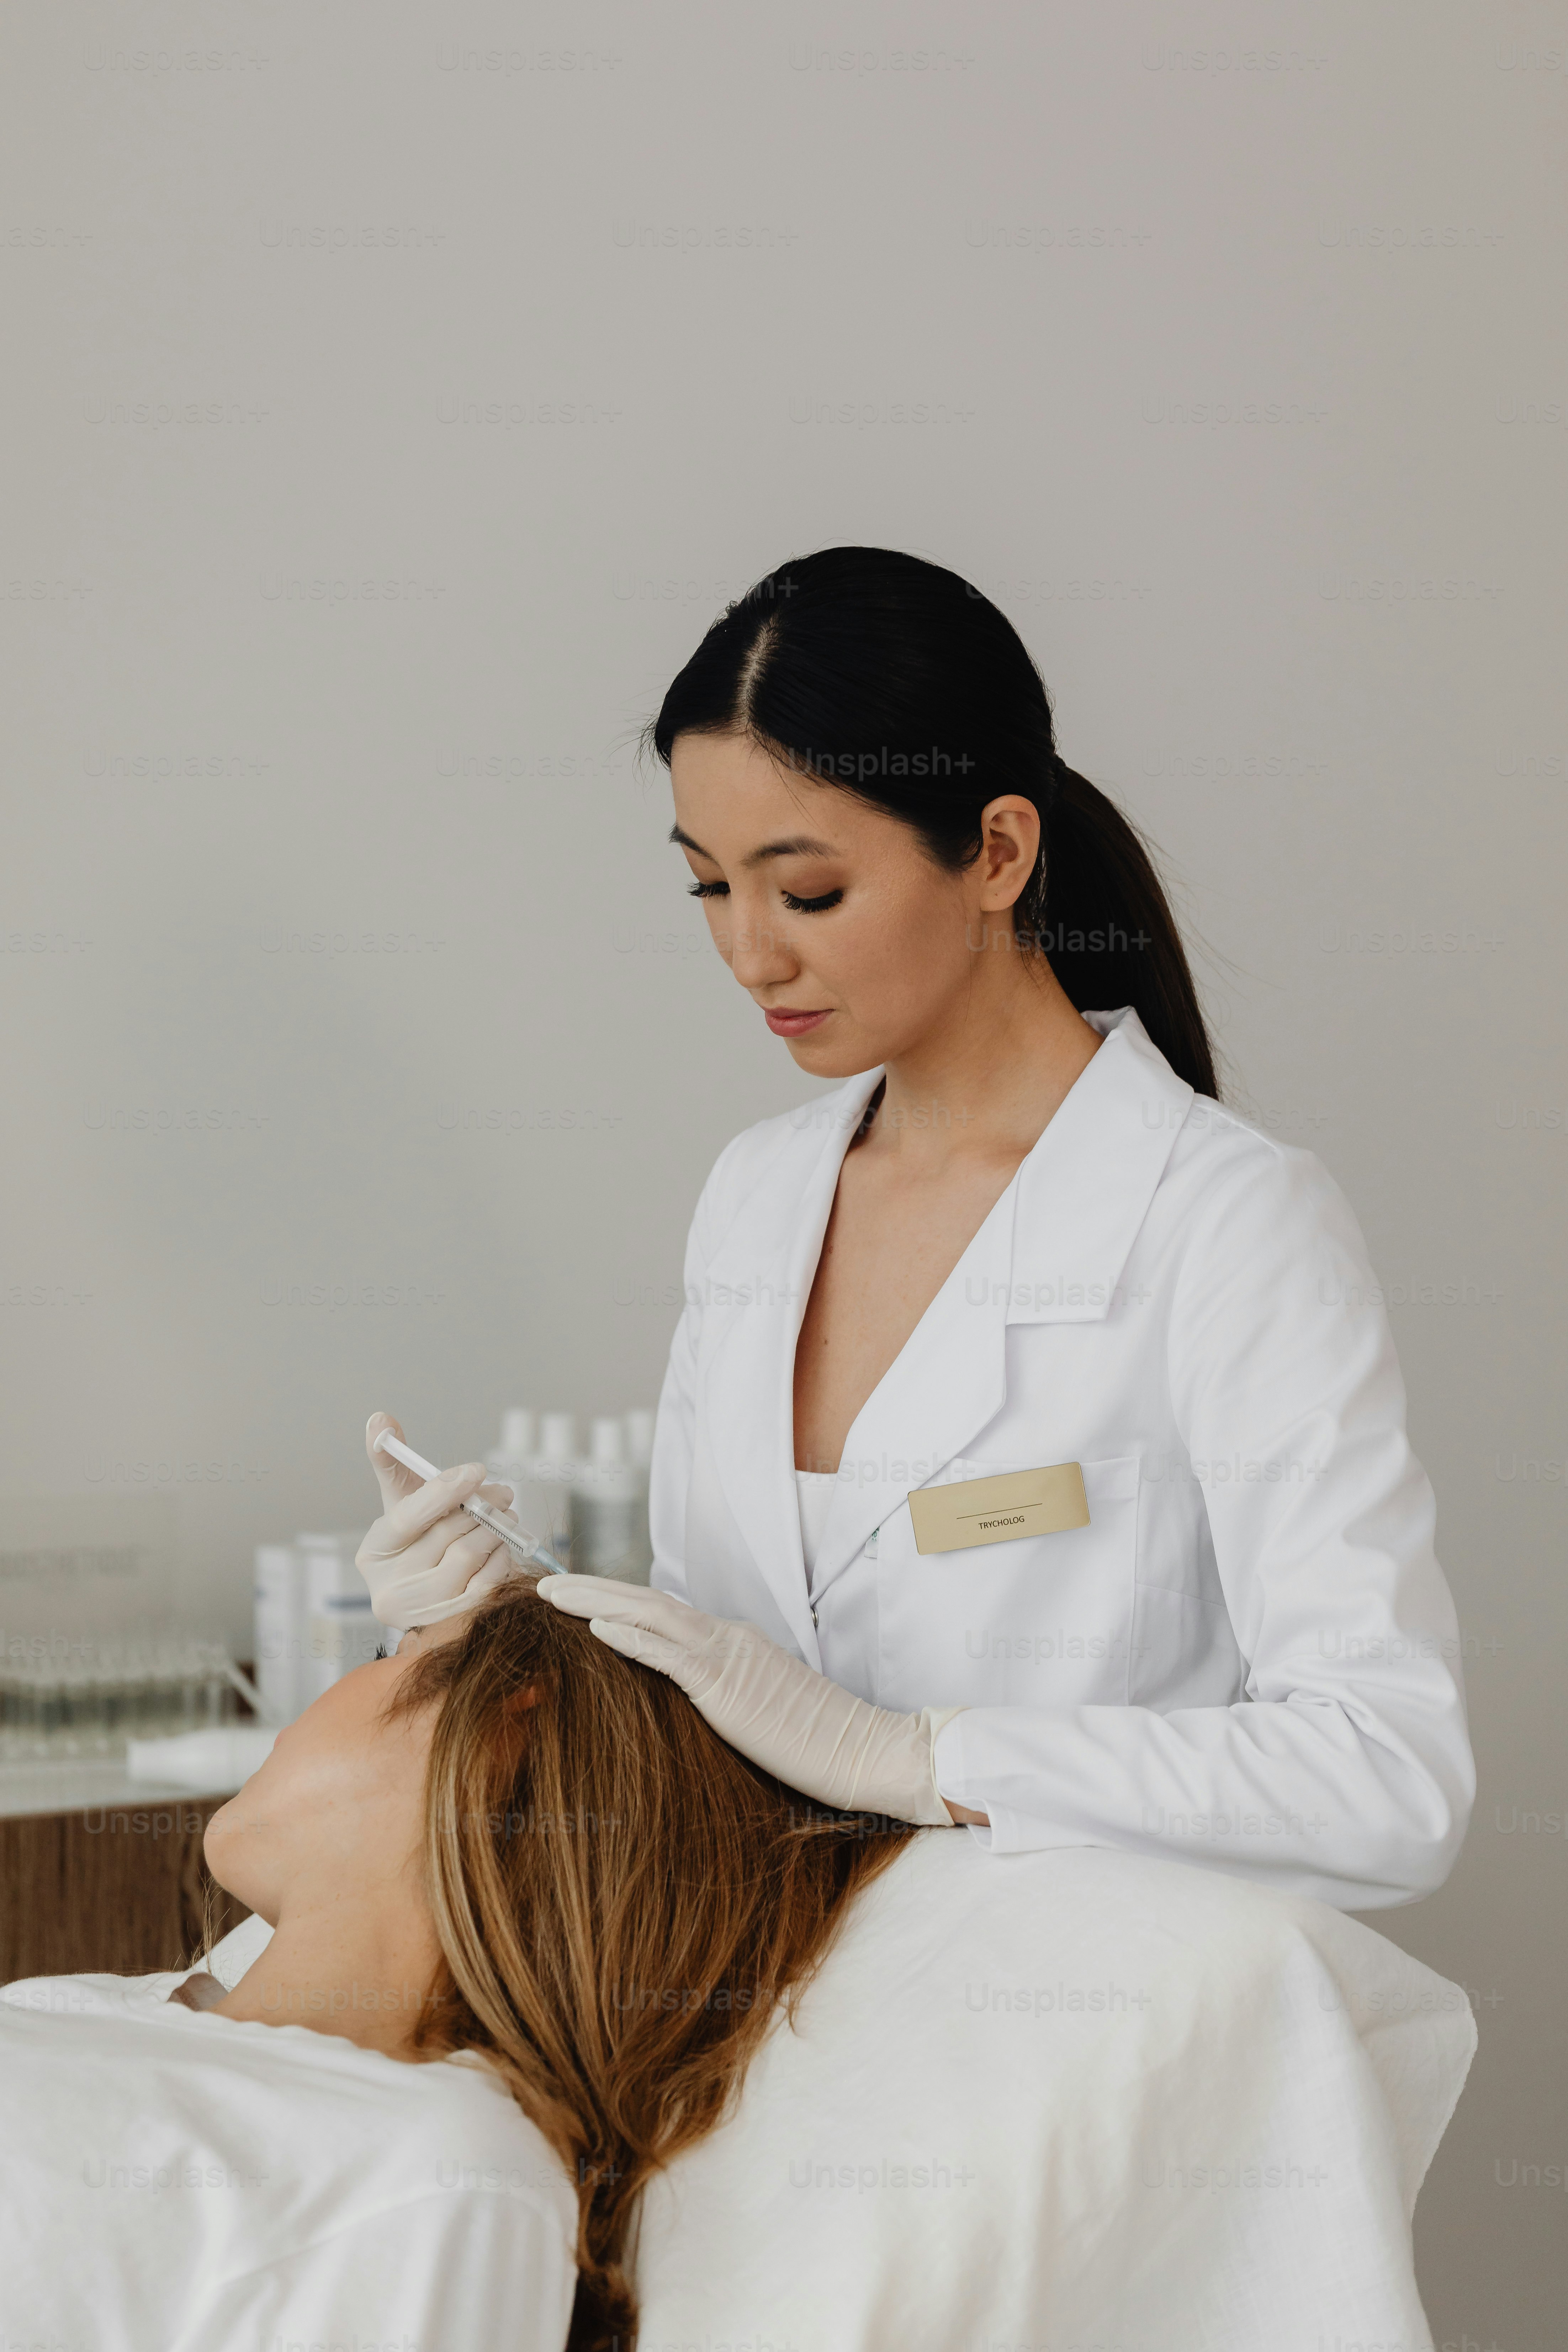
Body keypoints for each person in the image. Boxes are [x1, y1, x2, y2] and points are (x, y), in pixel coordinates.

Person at [356, 545, 1474, 1912]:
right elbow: (711, 1709)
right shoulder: (756, 1199)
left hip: (1070, 2040)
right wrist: (482, 1640)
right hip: (764, 2024)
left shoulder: (1222, 1223)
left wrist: (912, 1759)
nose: (751, 955)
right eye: (708, 885)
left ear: (996, 852)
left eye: (807, 890)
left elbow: (1383, 1778)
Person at [0, 1576, 911, 2352]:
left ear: (503, 1728)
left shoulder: (429, 2174)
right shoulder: (99, 2010)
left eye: (385, 1655)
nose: (322, 1696)